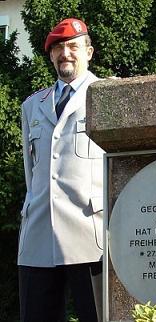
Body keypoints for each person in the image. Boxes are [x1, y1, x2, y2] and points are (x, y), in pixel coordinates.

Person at [18, 18, 104, 322]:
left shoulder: (108, 94)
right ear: (51, 55)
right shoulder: (32, 105)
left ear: (89, 52)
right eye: (57, 48)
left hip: (91, 233)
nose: (64, 53)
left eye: (72, 46)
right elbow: (32, 172)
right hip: (38, 234)